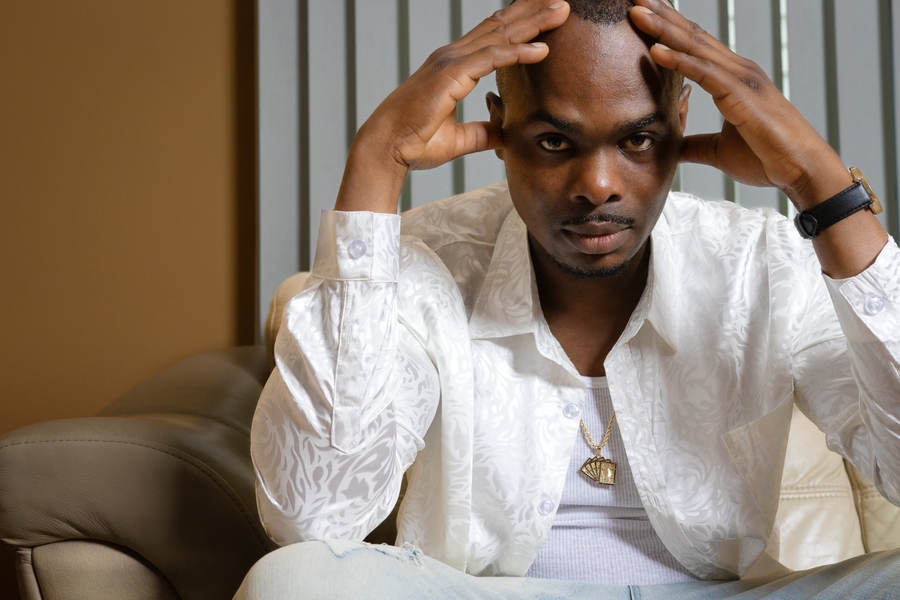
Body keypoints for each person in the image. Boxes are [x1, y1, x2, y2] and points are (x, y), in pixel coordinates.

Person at [240, 0, 900, 597]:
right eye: (556, 141)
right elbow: (315, 517)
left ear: (679, 123)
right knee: (291, 582)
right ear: (500, 128)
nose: (598, 184)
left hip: (719, 593)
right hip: (488, 596)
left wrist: (819, 184)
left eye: (637, 139)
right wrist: (376, 161)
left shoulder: (763, 262)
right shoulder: (426, 262)